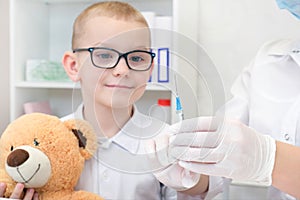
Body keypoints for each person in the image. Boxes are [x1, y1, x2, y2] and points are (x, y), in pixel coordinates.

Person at [0, 1, 224, 200]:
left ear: (150, 70)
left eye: (136, 58)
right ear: (73, 66)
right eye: (105, 55)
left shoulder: (165, 143)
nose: (122, 69)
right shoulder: (40, 142)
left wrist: (197, 181)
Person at [153, 0, 300, 199]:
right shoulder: (268, 60)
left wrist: (268, 159)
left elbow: (255, 157)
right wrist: (193, 178)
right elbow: (222, 166)